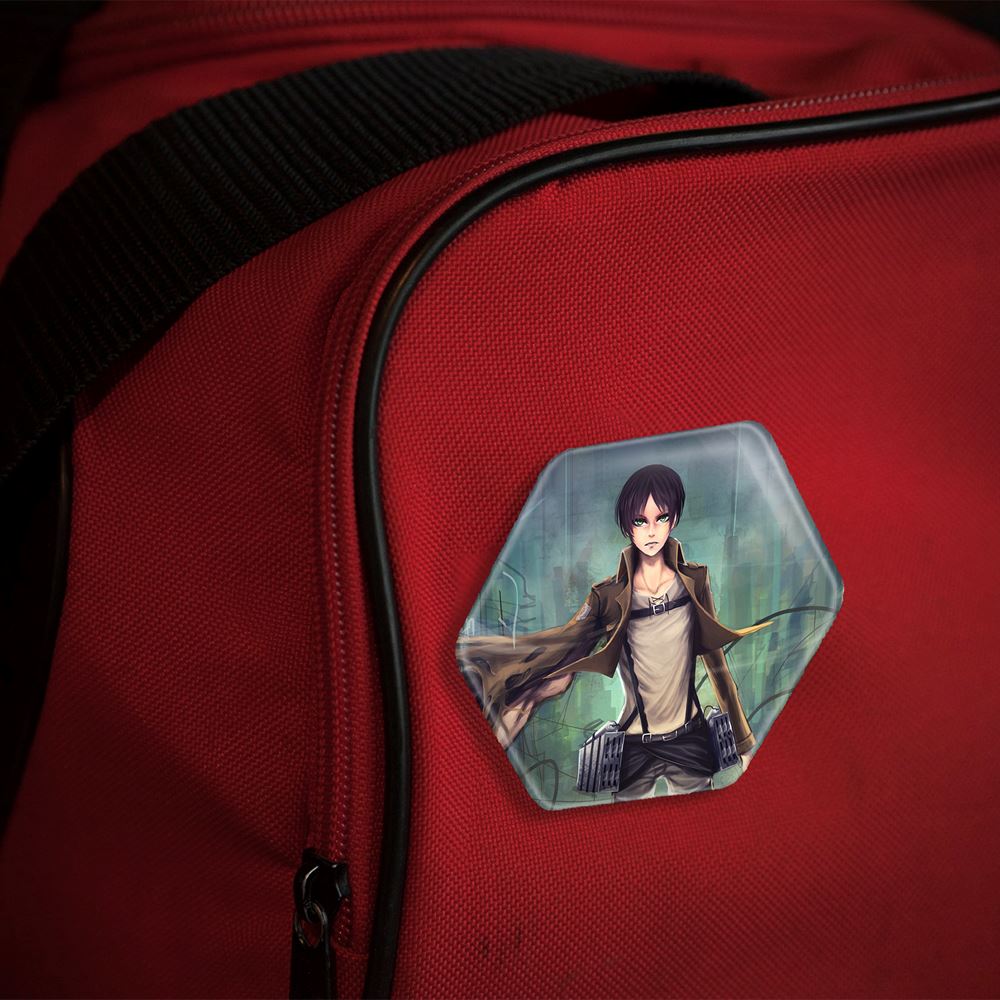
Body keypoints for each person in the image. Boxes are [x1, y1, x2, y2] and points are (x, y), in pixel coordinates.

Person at [457, 464, 766, 799]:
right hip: (634, 746)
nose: (651, 531)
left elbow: (717, 666)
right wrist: (522, 701)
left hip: (690, 740)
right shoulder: (607, 596)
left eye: (661, 518)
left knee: (697, 822)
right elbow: (567, 652)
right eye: (640, 521)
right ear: (627, 526)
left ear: (674, 519)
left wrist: (744, 743)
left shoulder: (695, 582)